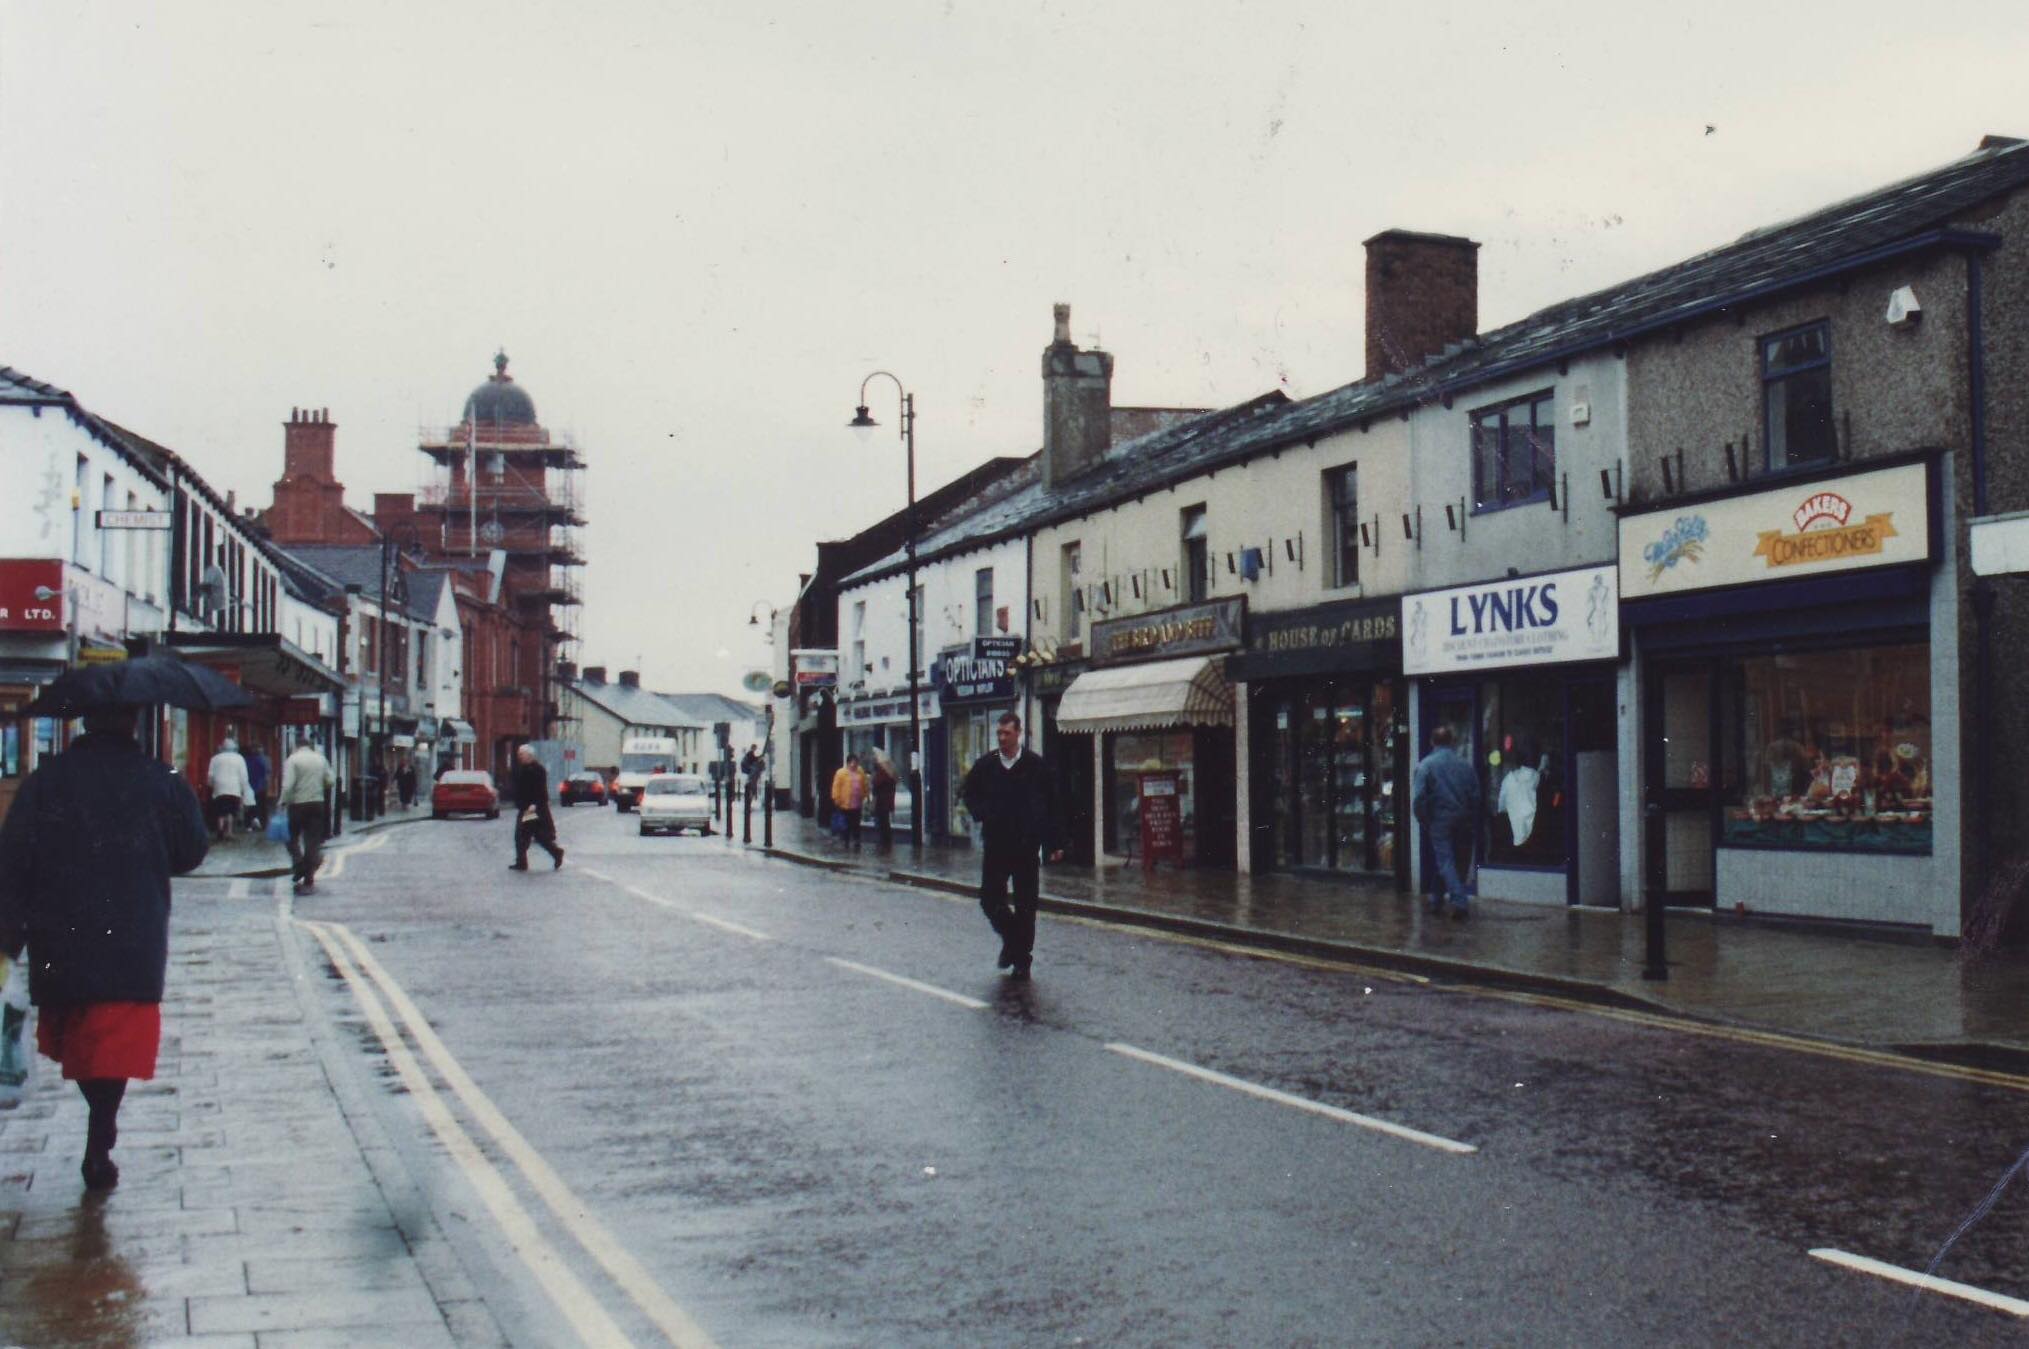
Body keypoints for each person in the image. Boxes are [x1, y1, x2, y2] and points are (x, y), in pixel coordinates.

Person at [0, 706, 208, 1192]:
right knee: (114, 1041)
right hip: (133, 934)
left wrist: (11, 935)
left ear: (87, 724)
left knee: (79, 1038)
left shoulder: (47, 780)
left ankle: (99, 1122)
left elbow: (11, 857)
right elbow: (192, 849)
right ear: (132, 725)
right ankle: (102, 1130)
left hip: (61, 934)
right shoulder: (161, 778)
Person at [959, 712, 1064, 981]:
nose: (1002, 738)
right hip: (996, 844)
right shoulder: (987, 765)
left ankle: (1022, 961)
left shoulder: (1036, 766)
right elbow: (968, 793)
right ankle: (1012, 941)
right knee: (989, 899)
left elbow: (1052, 805)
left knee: (1026, 905)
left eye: (1007, 733)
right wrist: (984, 813)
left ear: (1018, 733)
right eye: (999, 733)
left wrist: (1055, 842)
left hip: (1027, 846)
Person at [1412, 725, 1481, 920]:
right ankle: (1436, 900)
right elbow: (1476, 795)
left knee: (1445, 862)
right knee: (1455, 863)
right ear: (1452, 742)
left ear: (1432, 742)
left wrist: (1424, 819)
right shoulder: (1465, 765)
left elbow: (1418, 799)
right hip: (1463, 818)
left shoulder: (1425, 765)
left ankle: (1459, 902)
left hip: (1439, 820)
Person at [277, 734, 335, 894]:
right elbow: (330, 780)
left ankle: (298, 863)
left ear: (297, 746)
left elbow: (288, 785)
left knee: (290, 837)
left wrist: (282, 801)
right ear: (310, 746)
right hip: (317, 804)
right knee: (312, 840)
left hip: (297, 804)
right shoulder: (320, 759)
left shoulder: (293, 760)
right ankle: (309, 874)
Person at [509, 745, 564, 871]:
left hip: (532, 809)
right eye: (519, 754)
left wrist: (534, 804)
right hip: (526, 807)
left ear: (530, 755)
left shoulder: (538, 770)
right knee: (531, 835)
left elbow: (540, 790)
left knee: (524, 834)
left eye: (521, 754)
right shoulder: (523, 769)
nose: (519, 757)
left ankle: (523, 862)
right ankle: (554, 853)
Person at [206, 738, 252, 842]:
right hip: (234, 788)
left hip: (219, 787)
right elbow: (243, 776)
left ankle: (220, 829)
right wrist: (243, 789)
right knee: (231, 811)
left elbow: (210, 775)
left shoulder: (215, 758)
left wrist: (211, 785)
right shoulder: (239, 758)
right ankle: (229, 832)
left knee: (220, 810)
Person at [830, 754, 867, 850]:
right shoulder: (841, 773)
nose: (854, 765)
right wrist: (836, 799)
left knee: (856, 824)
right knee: (846, 824)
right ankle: (846, 841)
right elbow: (836, 787)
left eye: (856, 762)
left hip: (857, 803)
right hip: (845, 804)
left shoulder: (860, 771)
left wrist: (865, 795)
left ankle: (856, 841)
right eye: (852, 762)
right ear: (848, 763)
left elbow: (864, 784)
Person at [870, 751, 898, 850]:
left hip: (881, 803)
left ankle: (883, 844)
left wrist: (873, 778)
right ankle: (885, 843)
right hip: (886, 802)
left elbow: (876, 784)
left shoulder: (882, 774)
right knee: (884, 823)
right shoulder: (890, 774)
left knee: (882, 824)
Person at [244, 743, 272, 832]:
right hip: (260, 785)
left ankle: (249, 824)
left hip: (249, 785)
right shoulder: (264, 760)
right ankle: (262, 822)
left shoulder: (246, 760)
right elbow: (267, 773)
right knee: (262, 805)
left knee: (249, 805)